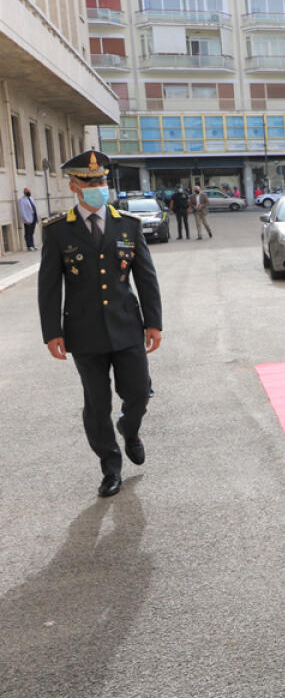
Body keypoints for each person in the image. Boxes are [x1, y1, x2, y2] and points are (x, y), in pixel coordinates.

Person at [37, 150, 163, 497]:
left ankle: (130, 428)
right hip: (84, 331)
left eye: (102, 180)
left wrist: (154, 323)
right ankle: (110, 468)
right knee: (97, 404)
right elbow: (49, 286)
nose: (98, 186)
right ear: (75, 185)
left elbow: (146, 278)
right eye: (90, 182)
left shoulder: (128, 224)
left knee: (138, 392)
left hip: (127, 326)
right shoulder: (59, 230)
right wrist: (52, 332)